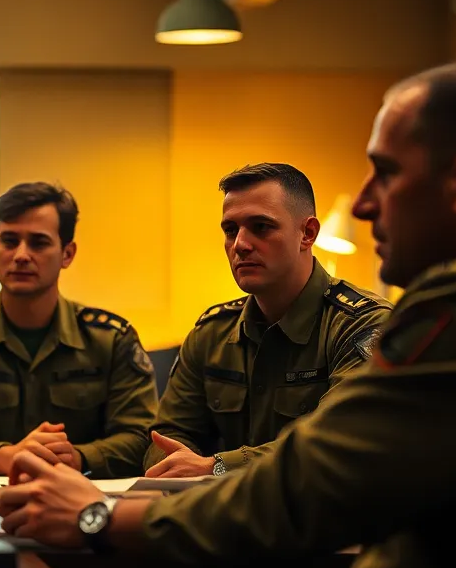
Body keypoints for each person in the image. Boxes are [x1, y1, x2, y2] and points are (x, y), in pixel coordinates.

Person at [0, 58, 456, 568]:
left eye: (384, 173)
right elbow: (171, 444)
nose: (360, 204)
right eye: (230, 229)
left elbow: (306, 487)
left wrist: (95, 515)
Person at [144, 163, 391, 478]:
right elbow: (166, 434)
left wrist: (217, 466)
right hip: (218, 514)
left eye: (261, 227)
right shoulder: (212, 331)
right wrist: (173, 462)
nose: (240, 245)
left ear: (308, 233)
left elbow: (337, 440)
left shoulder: (363, 326)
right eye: (230, 230)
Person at [0, 182, 158, 478]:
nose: (21, 255)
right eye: (9, 241)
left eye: (38, 242)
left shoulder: (112, 339)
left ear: (67, 254)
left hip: (81, 499)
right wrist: (6, 457)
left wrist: (78, 457)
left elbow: (141, 437)